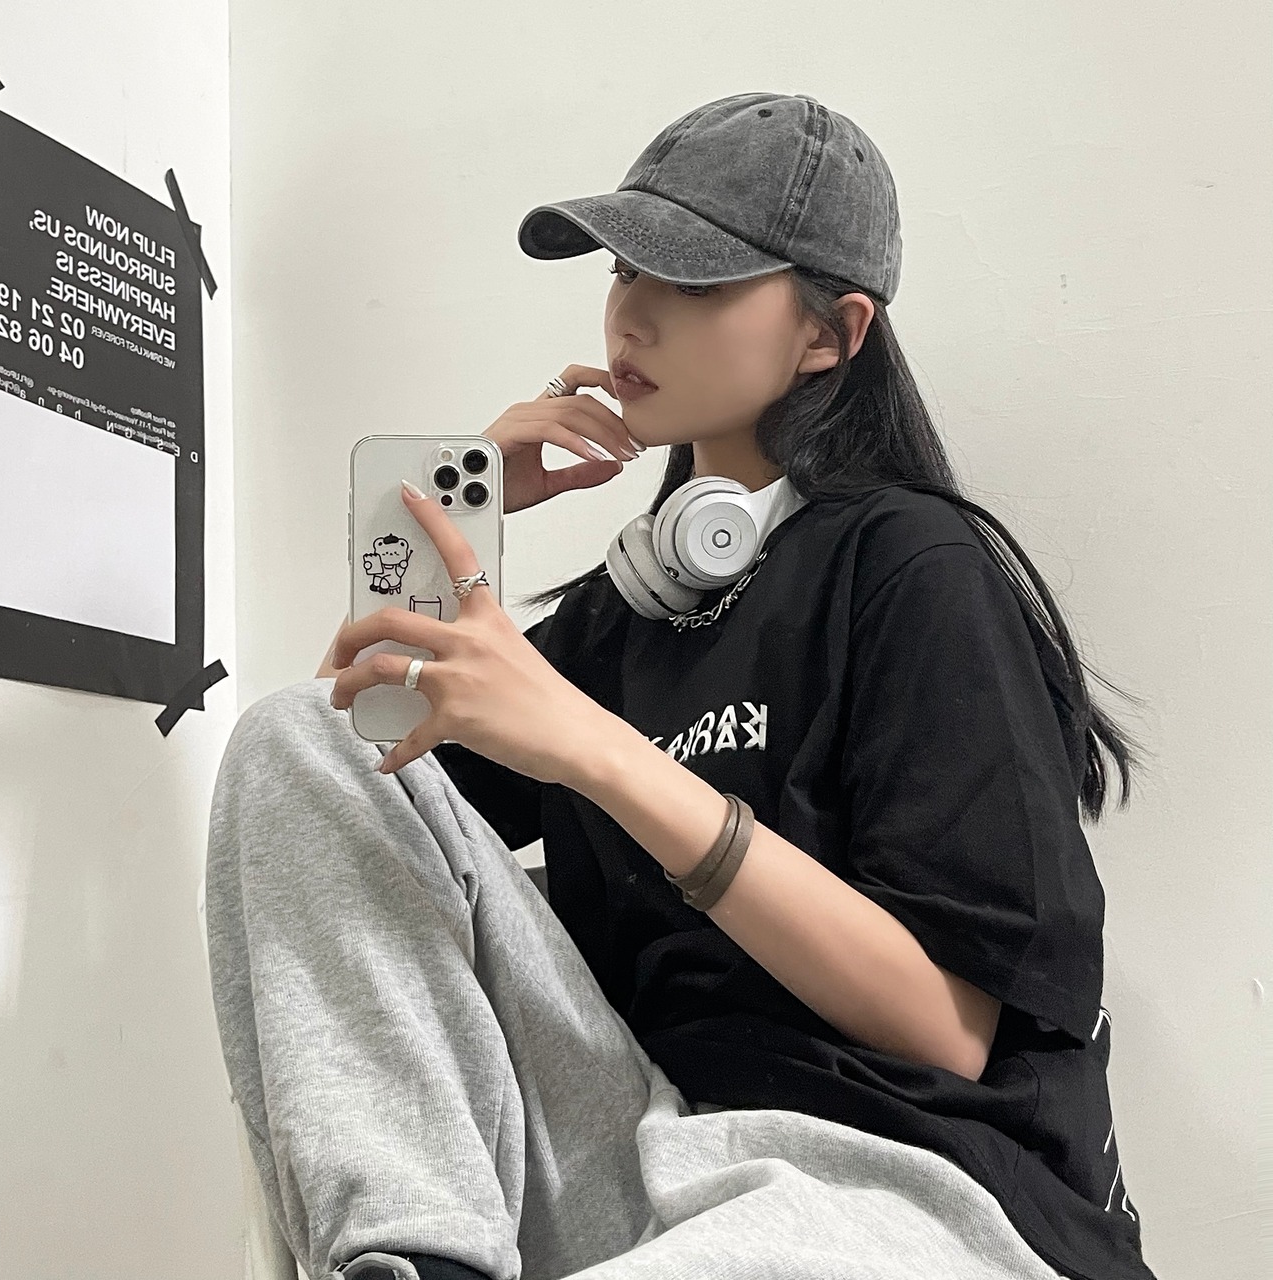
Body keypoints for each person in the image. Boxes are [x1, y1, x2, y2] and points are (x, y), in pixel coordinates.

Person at [205, 92, 1159, 1280]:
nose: (632, 313)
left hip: (897, 1179)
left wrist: (600, 754)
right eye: (622, 270)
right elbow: (354, 764)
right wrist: (461, 506)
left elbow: (946, 1029)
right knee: (294, 733)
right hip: (647, 1151)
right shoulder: (627, 614)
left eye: (695, 280)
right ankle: (412, 1259)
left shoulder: (913, 567)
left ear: (830, 332)